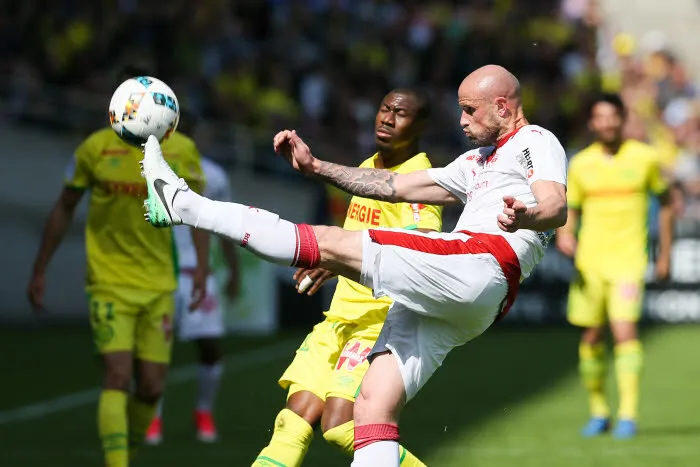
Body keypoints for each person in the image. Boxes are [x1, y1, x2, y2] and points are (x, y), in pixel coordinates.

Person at [140, 64, 568, 466]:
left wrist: (530, 216)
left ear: (503, 107)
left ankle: (180, 203)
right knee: (370, 411)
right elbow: (393, 186)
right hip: (469, 296)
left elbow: (554, 203)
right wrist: (315, 166)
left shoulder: (535, 141)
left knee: (323, 242)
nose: (461, 121)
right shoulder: (476, 162)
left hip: (479, 261)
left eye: (469, 110)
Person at [27, 66, 209, 467]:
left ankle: (125, 453)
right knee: (116, 376)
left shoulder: (182, 152)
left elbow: (198, 213)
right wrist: (40, 267)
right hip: (108, 281)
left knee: (151, 386)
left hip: (159, 282)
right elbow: (64, 207)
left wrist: (200, 268)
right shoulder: (93, 150)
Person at [252, 88, 443, 467]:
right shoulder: (368, 165)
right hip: (339, 318)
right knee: (292, 420)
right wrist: (334, 259)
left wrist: (342, 261)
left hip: (377, 324)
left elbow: (420, 250)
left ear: (419, 126)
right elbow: (360, 236)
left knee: (340, 425)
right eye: (383, 108)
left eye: (400, 114)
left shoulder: (420, 182)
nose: (387, 119)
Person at [556, 93, 673, 439]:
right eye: (599, 117)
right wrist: (565, 234)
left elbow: (667, 204)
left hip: (628, 262)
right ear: (592, 122)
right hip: (589, 263)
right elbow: (569, 208)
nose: (606, 123)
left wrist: (665, 253)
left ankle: (628, 414)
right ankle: (599, 411)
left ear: (623, 119)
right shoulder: (580, 164)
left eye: (613, 116)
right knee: (591, 336)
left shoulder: (646, 158)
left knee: (625, 332)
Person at [146, 155, 239, 445]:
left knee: (210, 346)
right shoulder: (146, 167)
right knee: (154, 349)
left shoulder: (213, 174)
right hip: (158, 273)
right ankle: (152, 418)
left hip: (198, 272)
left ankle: (203, 412)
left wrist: (234, 270)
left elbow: (224, 225)